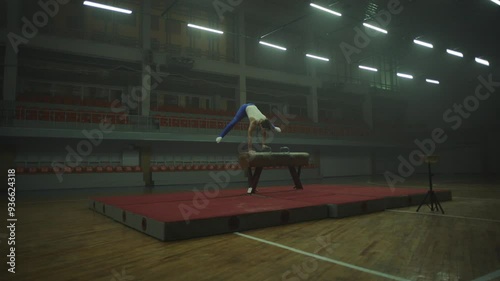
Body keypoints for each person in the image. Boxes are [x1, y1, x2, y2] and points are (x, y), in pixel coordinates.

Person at [216, 103, 281, 151]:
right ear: (261, 125)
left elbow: (267, 128)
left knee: (265, 130)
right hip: (244, 108)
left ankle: (273, 130)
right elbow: (250, 135)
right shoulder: (253, 122)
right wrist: (250, 149)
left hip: (253, 106)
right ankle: (221, 136)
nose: (263, 130)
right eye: (263, 128)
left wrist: (263, 144)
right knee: (234, 122)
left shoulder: (264, 119)